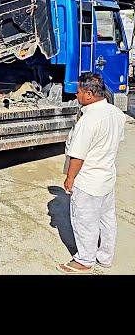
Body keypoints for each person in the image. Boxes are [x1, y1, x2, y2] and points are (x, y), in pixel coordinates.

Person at [56, 72, 126, 274]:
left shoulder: (89, 120)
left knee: (85, 221)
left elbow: (78, 155)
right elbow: (114, 144)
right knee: (106, 220)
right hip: (106, 177)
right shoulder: (116, 114)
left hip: (88, 181)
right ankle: (105, 258)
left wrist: (70, 178)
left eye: (78, 92)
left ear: (88, 93)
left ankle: (84, 260)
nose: (75, 95)